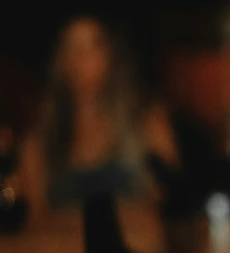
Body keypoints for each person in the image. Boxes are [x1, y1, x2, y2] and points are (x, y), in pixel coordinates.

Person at [14, 16, 177, 226]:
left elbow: (173, 209)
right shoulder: (38, 142)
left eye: (92, 47)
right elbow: (34, 227)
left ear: (112, 56)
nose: (79, 59)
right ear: (58, 61)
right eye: (70, 47)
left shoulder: (146, 123)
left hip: (137, 252)